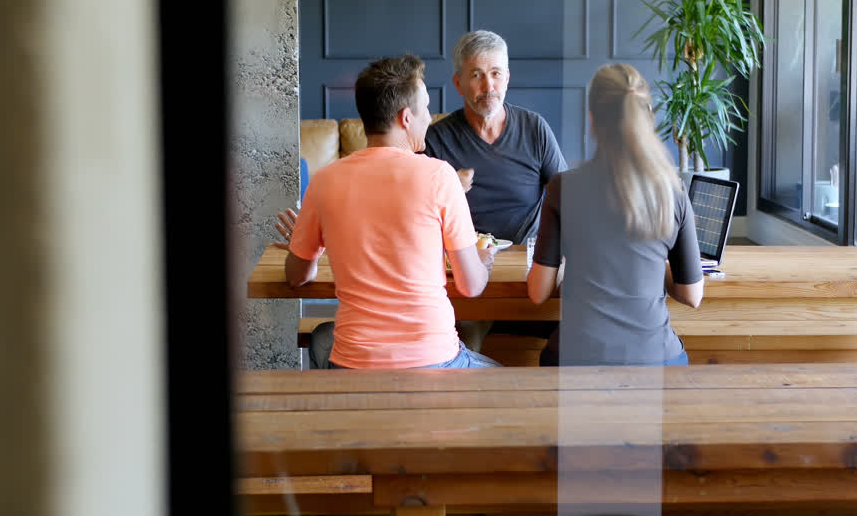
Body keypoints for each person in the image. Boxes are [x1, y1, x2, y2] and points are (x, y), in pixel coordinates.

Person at [274, 53, 500, 372]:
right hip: (435, 362)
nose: (429, 118)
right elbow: (471, 286)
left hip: (353, 366)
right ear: (406, 117)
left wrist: (302, 244)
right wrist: (483, 262)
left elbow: (297, 277)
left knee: (323, 339)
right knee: (511, 383)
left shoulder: (323, 181)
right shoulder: (441, 176)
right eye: (425, 109)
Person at [527, 63, 704, 367]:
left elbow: (538, 291)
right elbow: (692, 294)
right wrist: (649, 266)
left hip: (575, 360)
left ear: (592, 121)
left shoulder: (562, 187)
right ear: (647, 117)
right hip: (655, 361)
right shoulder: (673, 192)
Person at [424, 30, 569, 351]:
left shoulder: (534, 128)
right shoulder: (436, 139)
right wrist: (448, 190)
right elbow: (411, 215)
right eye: (476, 75)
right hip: (463, 270)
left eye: (496, 74)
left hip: (528, 268)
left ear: (507, 78)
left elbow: (567, 200)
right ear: (459, 82)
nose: (488, 87)